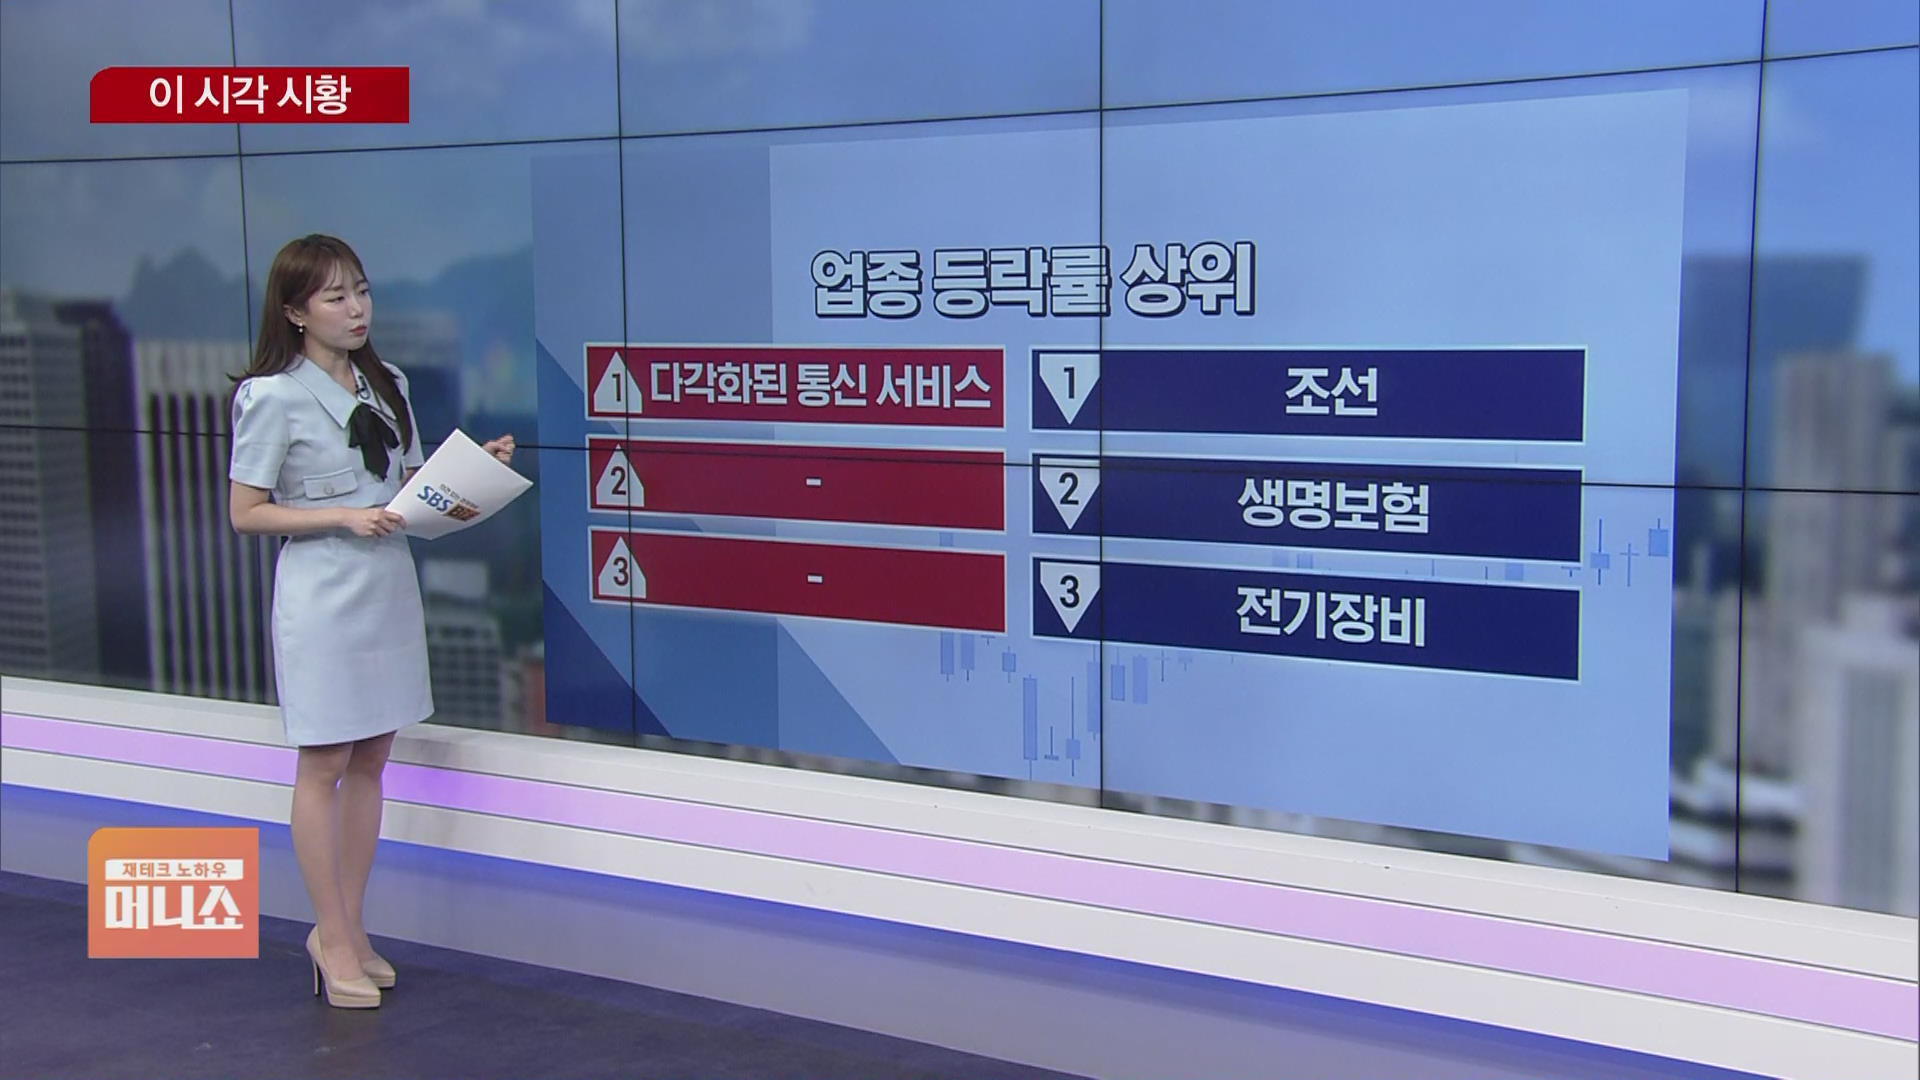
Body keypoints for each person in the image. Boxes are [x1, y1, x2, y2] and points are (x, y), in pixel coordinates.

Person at [227, 234, 514, 1008]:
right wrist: (341, 518)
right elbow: (246, 512)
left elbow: (407, 484)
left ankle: (349, 931)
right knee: (323, 762)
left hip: (387, 584)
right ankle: (329, 933)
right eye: (335, 297)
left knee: (372, 760)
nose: (356, 309)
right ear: (295, 312)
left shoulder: (389, 383)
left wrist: (472, 472)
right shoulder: (270, 396)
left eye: (362, 291)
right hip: (323, 593)